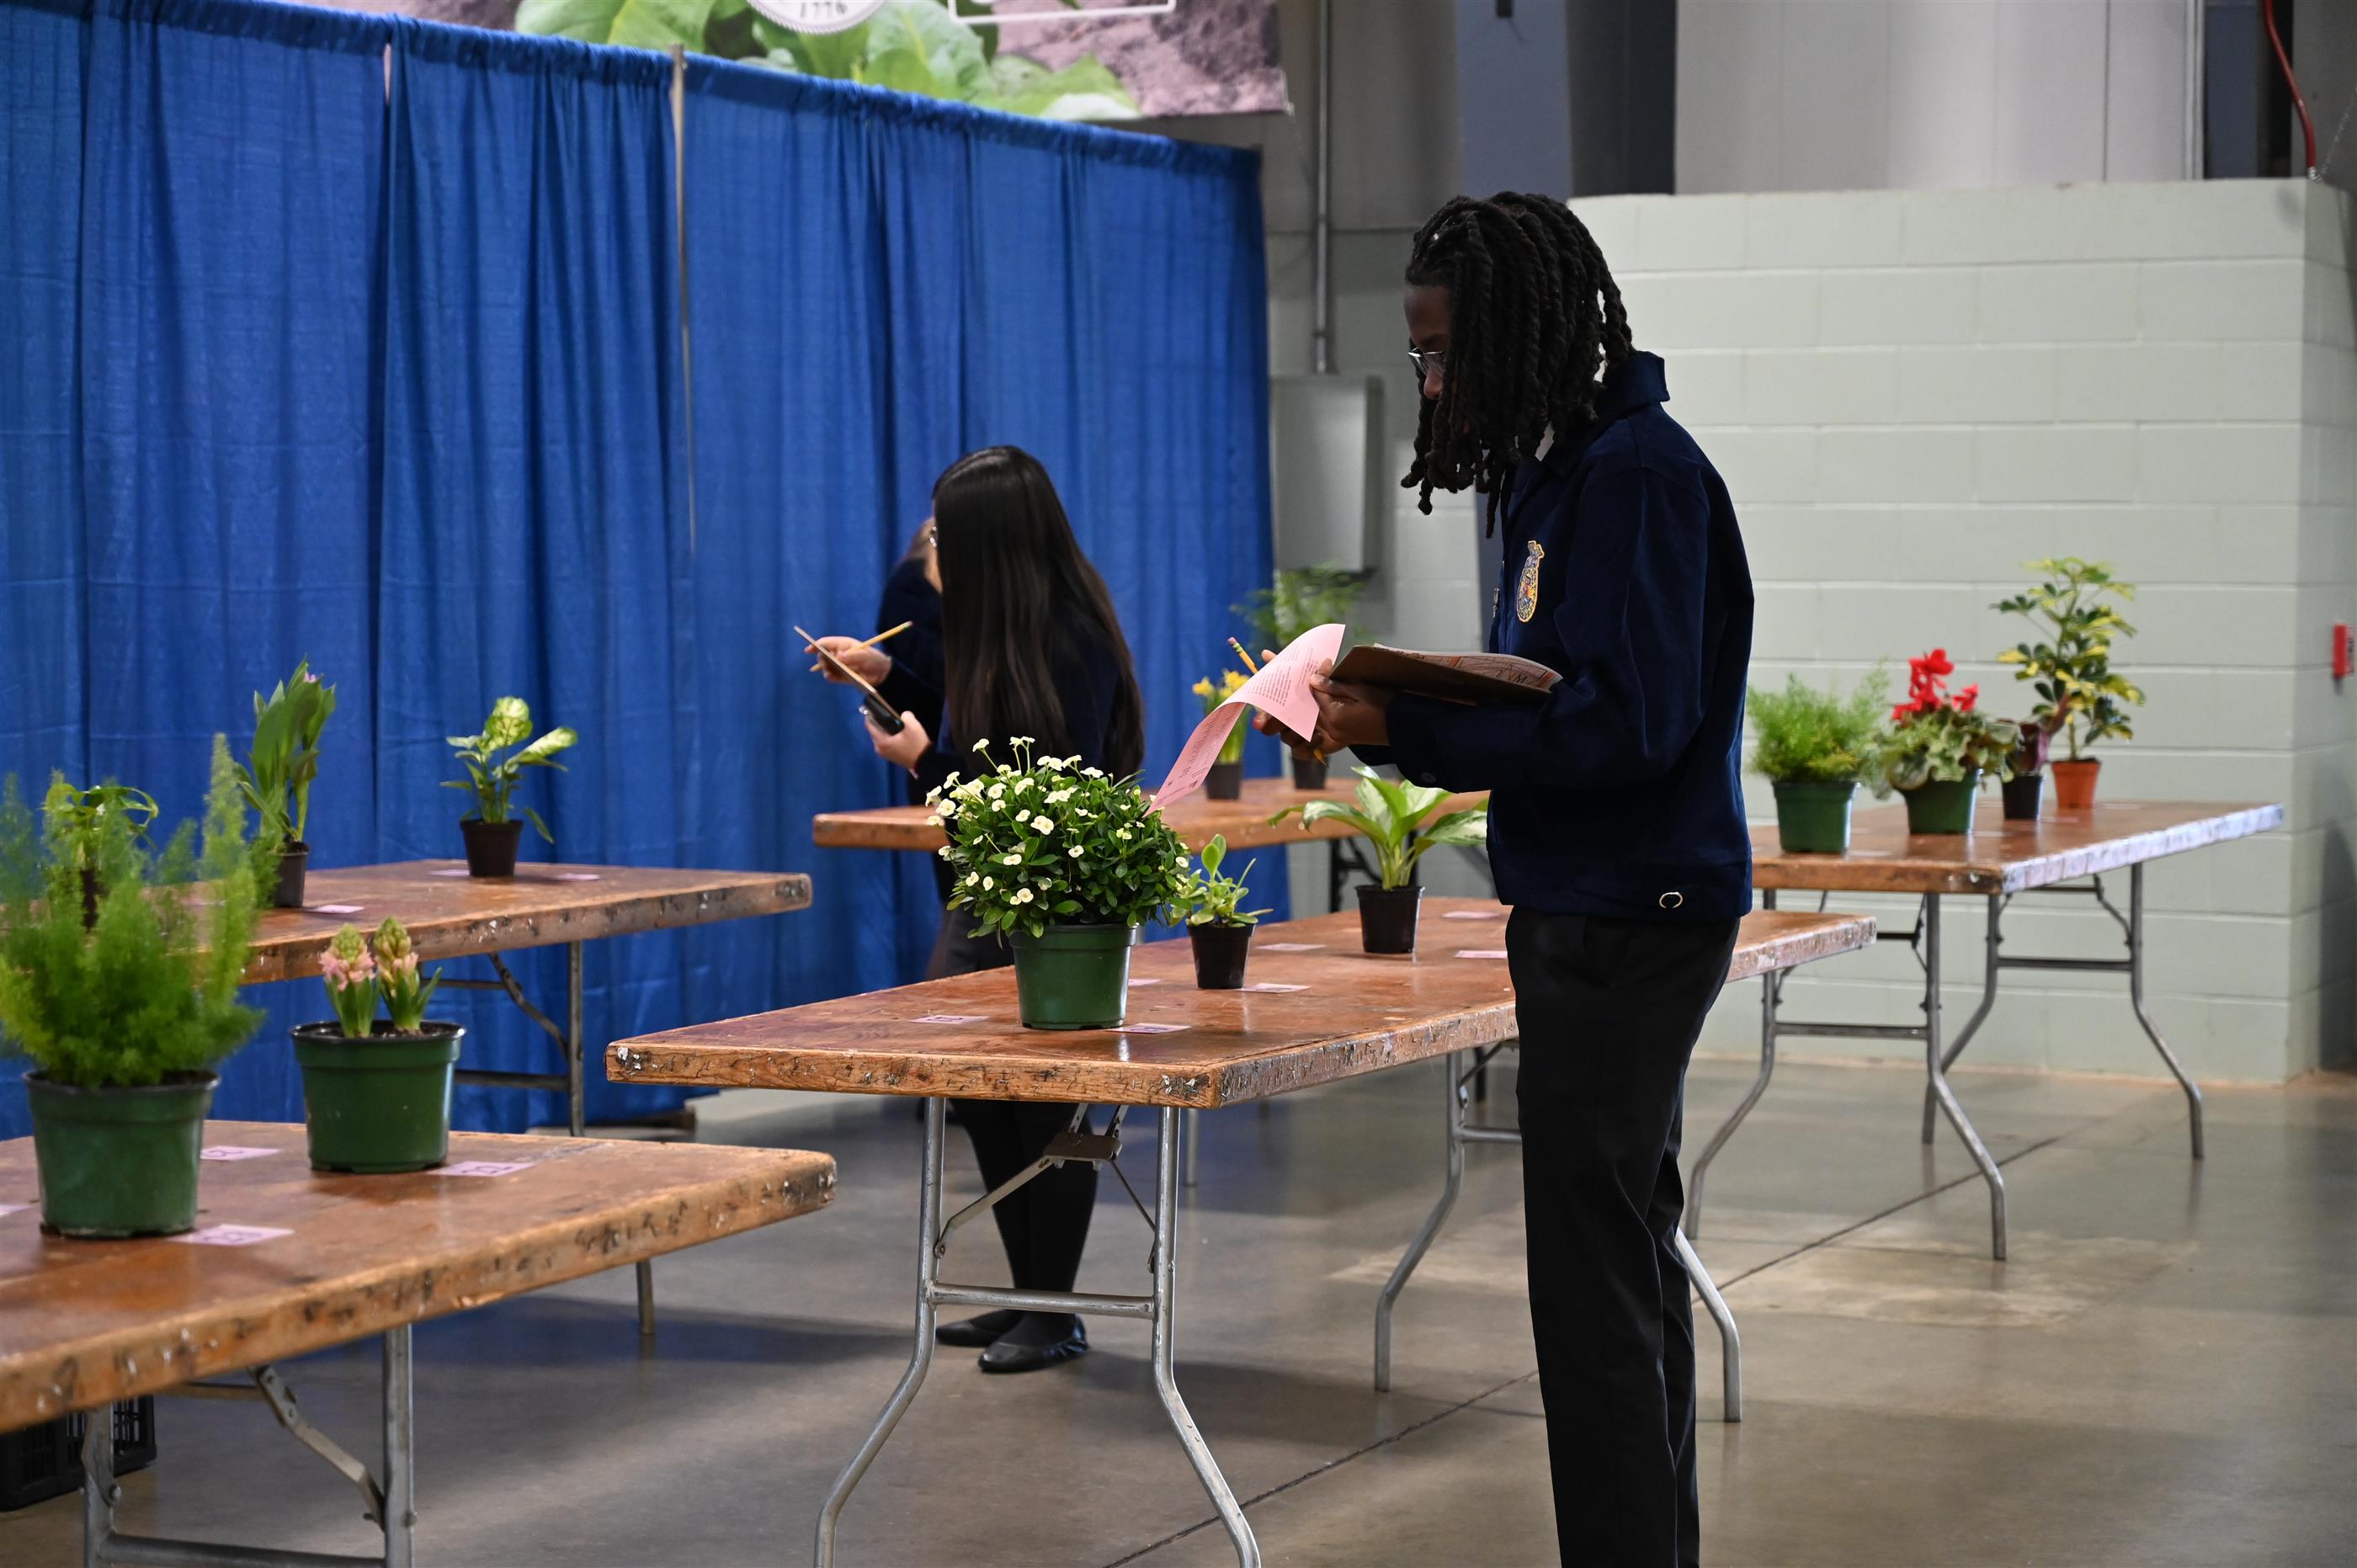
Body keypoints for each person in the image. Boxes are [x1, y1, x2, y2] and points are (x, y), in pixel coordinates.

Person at [1274, 193, 1753, 1568]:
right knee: (1619, 1265)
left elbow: (1623, 725)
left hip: (1630, 916)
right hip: (1587, 907)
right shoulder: (1556, 472)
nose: (1432, 382)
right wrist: (1404, 714)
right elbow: (1557, 697)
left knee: (1592, 1296)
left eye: (1442, 352)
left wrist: (1405, 723)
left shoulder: (1636, 474)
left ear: (1517, 332)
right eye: (1419, 354)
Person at [811, 444, 1146, 1375]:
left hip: (1054, 906)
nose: (930, 549)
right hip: (992, 892)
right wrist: (885, 675)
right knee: (980, 1090)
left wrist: (924, 762)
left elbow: (1036, 800)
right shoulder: (1003, 627)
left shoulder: (1067, 638)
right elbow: (985, 737)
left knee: (1045, 1104)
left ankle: (1056, 1309)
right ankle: (1032, 1297)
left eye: (943, 532)